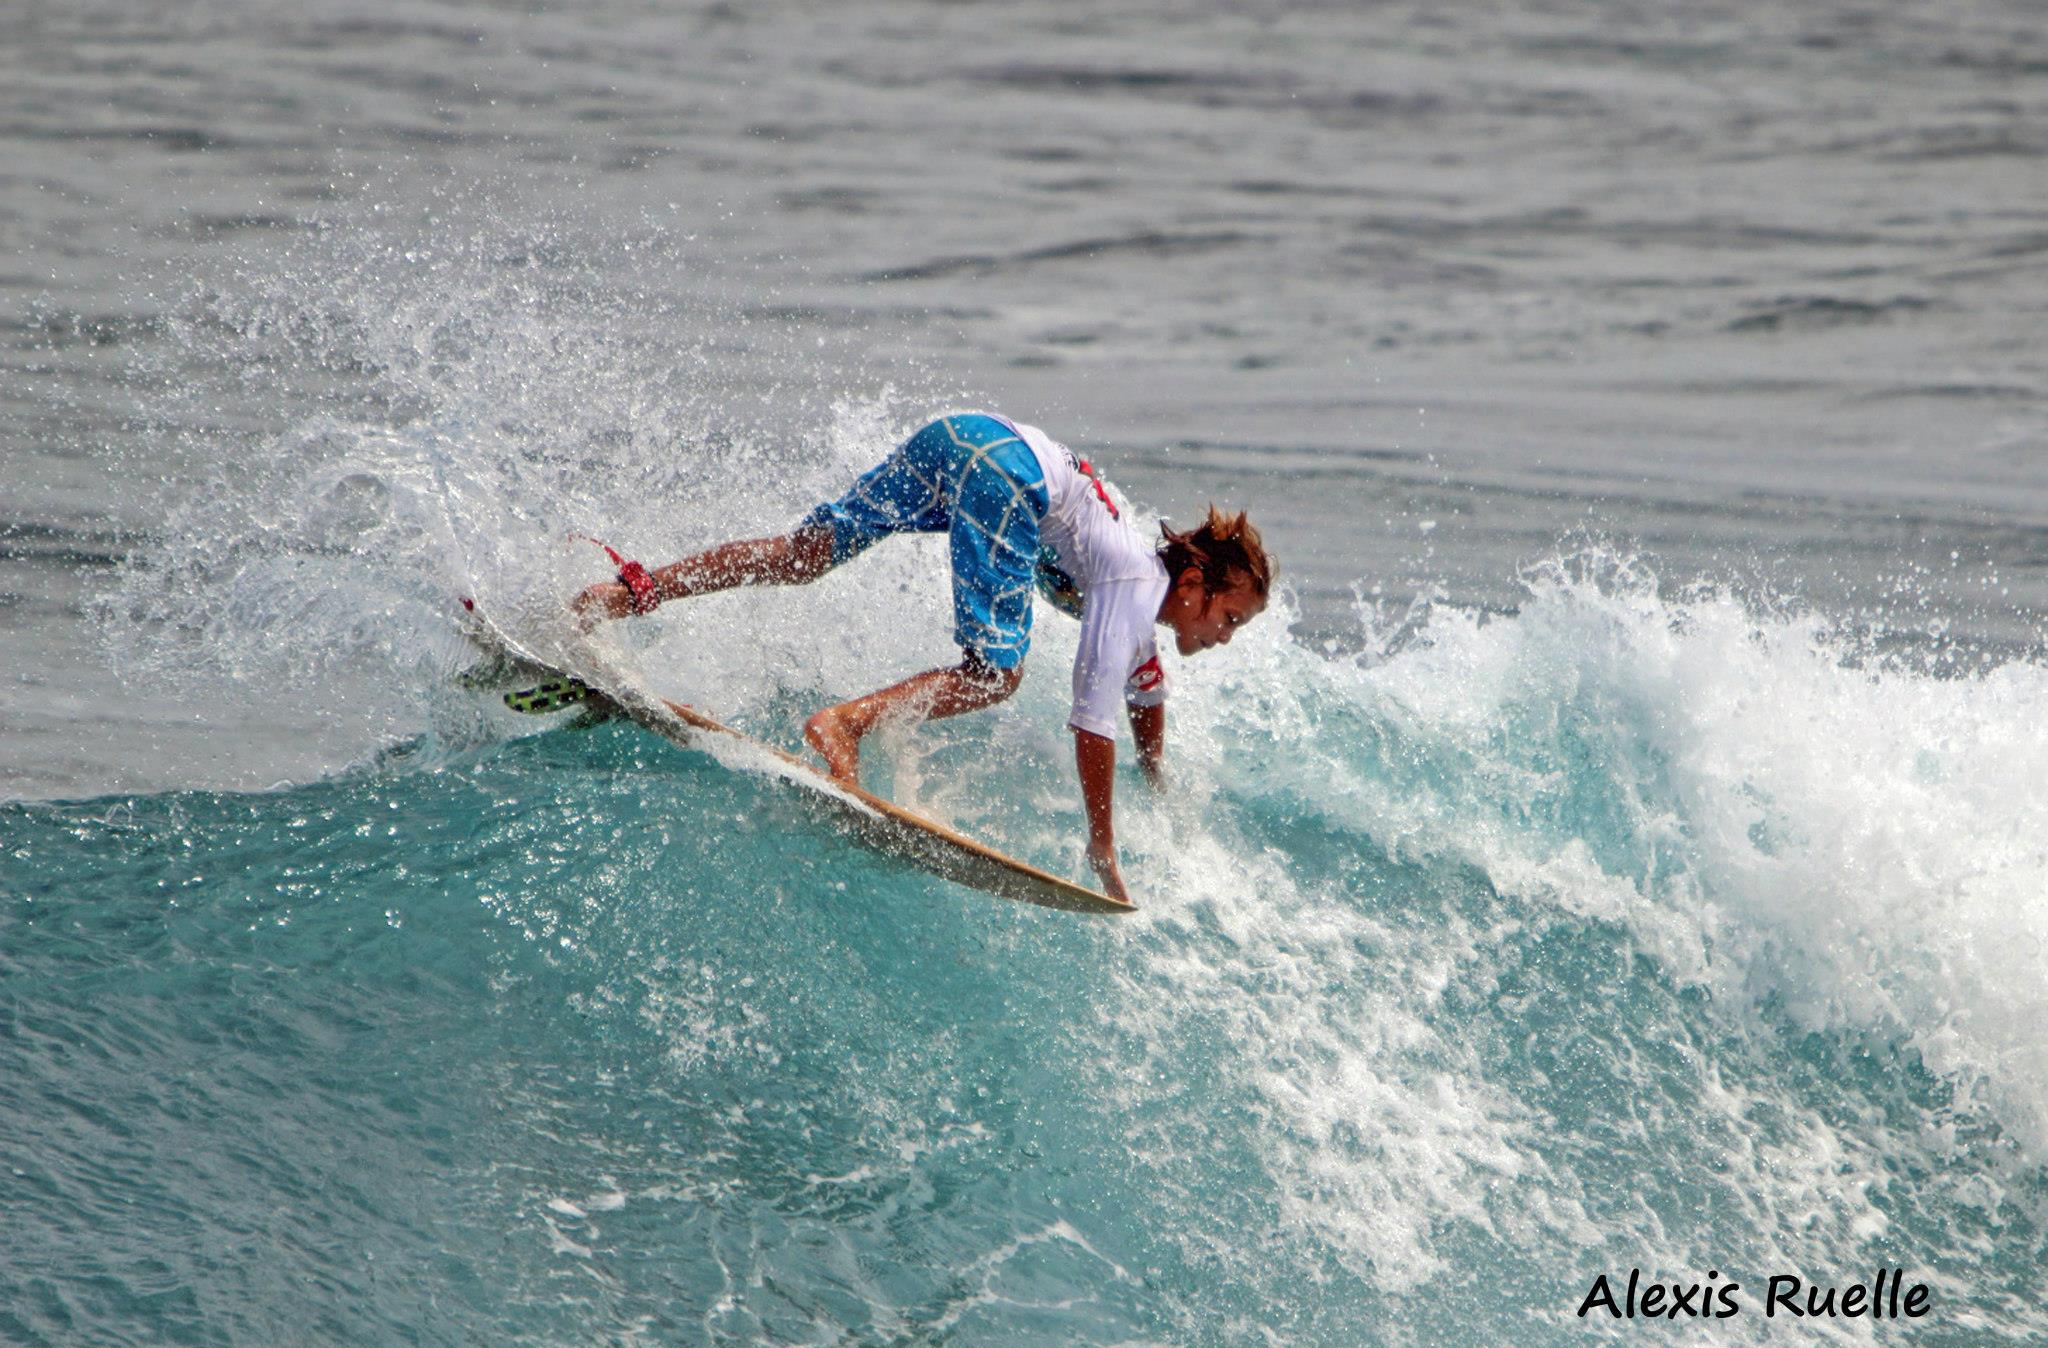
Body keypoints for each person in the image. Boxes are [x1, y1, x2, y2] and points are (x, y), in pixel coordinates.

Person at [572, 412, 1272, 902]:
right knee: (995, 673)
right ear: (1191, 583)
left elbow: (1144, 690)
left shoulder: (1143, 583)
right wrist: (1102, 847)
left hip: (964, 435)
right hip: (1007, 479)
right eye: (1229, 617)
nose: (1224, 635)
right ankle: (844, 722)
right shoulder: (1131, 583)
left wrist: (1156, 774)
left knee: (805, 553)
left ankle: (624, 594)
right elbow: (1093, 720)